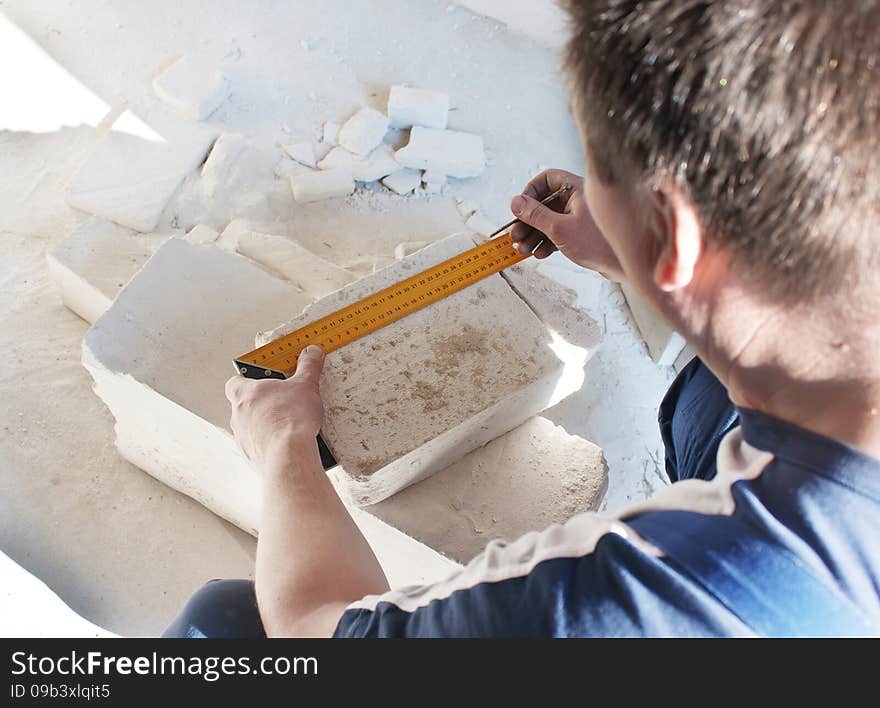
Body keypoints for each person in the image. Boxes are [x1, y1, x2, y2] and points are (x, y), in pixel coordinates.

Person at [164, 1, 880, 638]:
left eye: (597, 166)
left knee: (223, 623)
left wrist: (286, 445)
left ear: (681, 237)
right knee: (701, 402)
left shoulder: (644, 598)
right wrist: (641, 253)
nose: (590, 181)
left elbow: (312, 629)